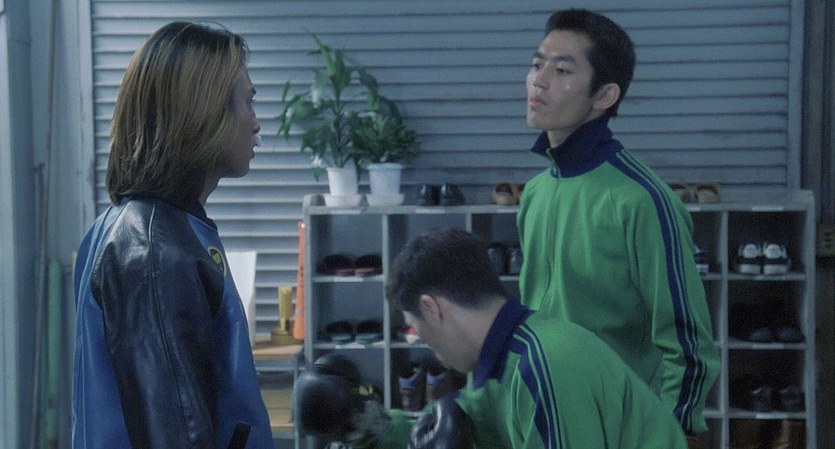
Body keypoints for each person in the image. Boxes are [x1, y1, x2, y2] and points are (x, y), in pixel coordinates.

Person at [517, 8, 720, 445]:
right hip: (546, 418)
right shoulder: (535, 193)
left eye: (562, 70)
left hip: (618, 428)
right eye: (536, 64)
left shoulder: (642, 200)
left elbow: (688, 342)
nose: (538, 80)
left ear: (605, 95)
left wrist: (673, 431)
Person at [295, 228, 689, 449]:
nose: (426, 345)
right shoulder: (511, 360)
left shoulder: (545, 368)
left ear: (433, 307)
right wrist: (368, 424)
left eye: (419, 329)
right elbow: (460, 425)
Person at [72, 21, 272, 448]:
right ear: (204, 111)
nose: (255, 123)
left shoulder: (164, 231)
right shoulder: (151, 250)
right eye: (248, 102)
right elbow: (175, 431)